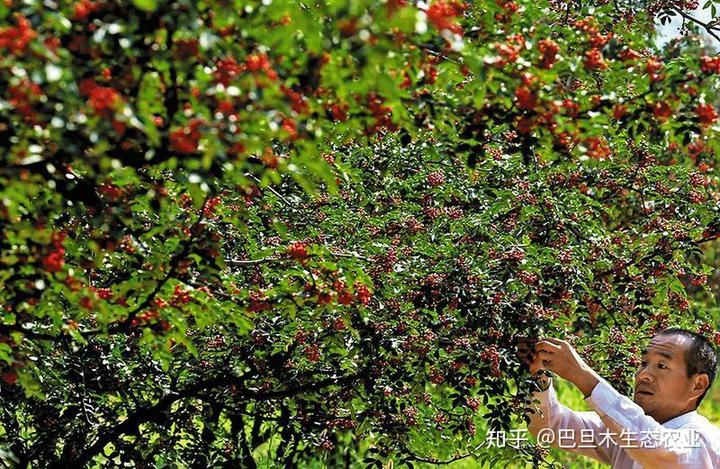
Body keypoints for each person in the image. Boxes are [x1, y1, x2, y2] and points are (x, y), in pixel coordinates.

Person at [518, 328, 720, 468]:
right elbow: (552, 428)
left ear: (698, 385)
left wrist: (581, 374)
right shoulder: (623, 433)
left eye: (662, 366)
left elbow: (656, 447)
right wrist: (538, 376)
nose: (643, 375)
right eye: (643, 363)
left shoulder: (701, 439)